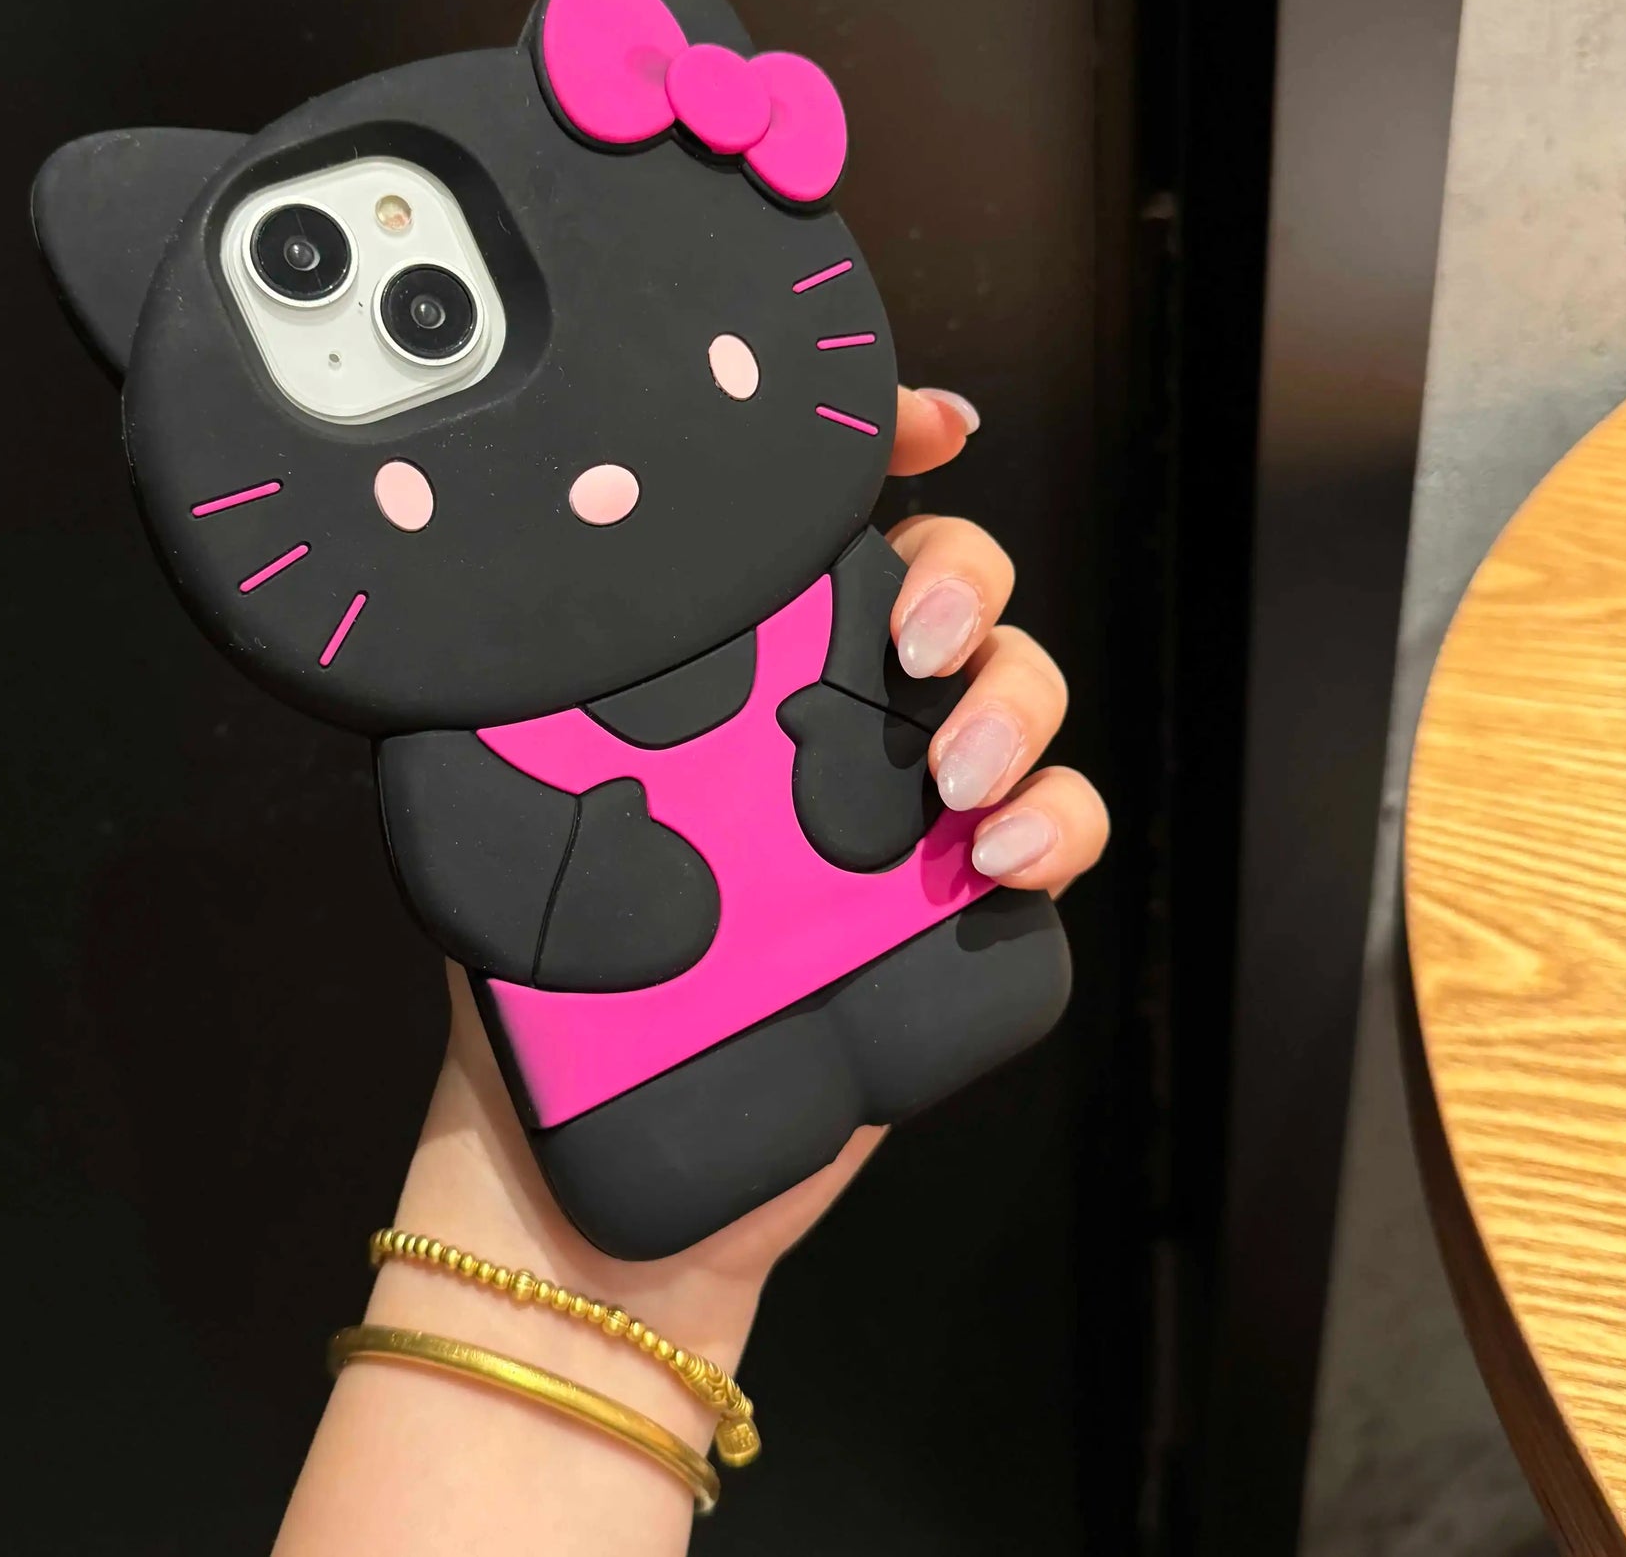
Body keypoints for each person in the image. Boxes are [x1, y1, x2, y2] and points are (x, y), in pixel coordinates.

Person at [273, 386, 1111, 1555]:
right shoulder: (459, 708)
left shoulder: (769, 547)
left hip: (862, 967)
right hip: (650, 1080)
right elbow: (493, 871)